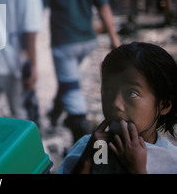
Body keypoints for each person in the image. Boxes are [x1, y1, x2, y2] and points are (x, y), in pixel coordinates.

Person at [39, 0, 121, 143]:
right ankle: (55, 115)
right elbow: (104, 8)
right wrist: (114, 39)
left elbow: (38, 9)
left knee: (72, 87)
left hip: (64, 44)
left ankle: (81, 133)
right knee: (69, 79)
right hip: (88, 41)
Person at [58, 42, 177, 174]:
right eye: (108, 91)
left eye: (131, 93)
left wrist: (136, 170)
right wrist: (87, 160)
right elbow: (99, 168)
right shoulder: (97, 148)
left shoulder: (170, 162)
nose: (115, 103)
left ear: (164, 105)